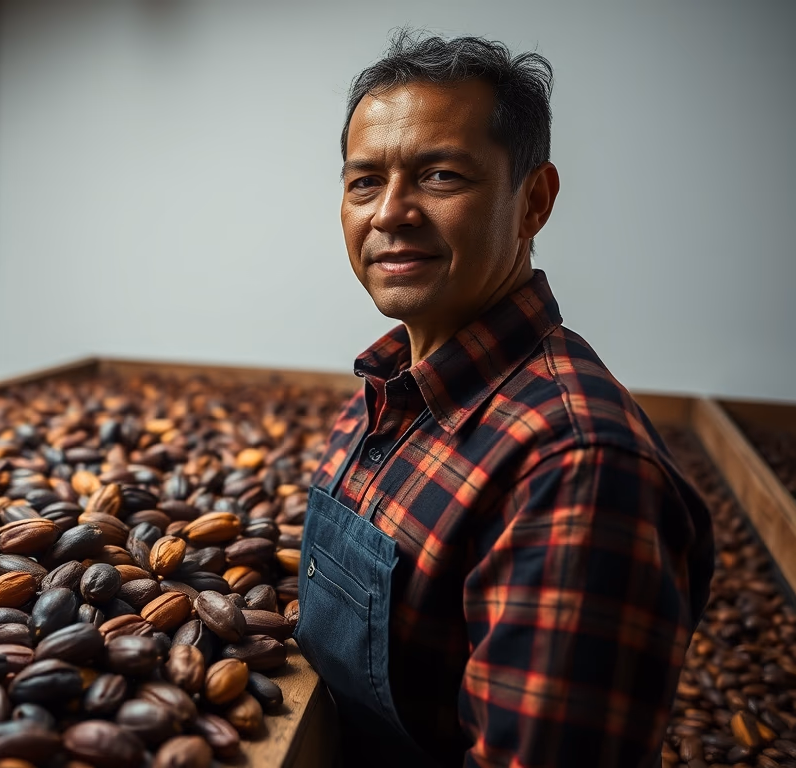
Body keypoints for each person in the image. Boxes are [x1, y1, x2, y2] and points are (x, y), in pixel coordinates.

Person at [294, 30, 714, 767]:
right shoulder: (385, 389)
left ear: (534, 202)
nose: (390, 212)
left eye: (440, 177)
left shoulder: (578, 466)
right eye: (364, 182)